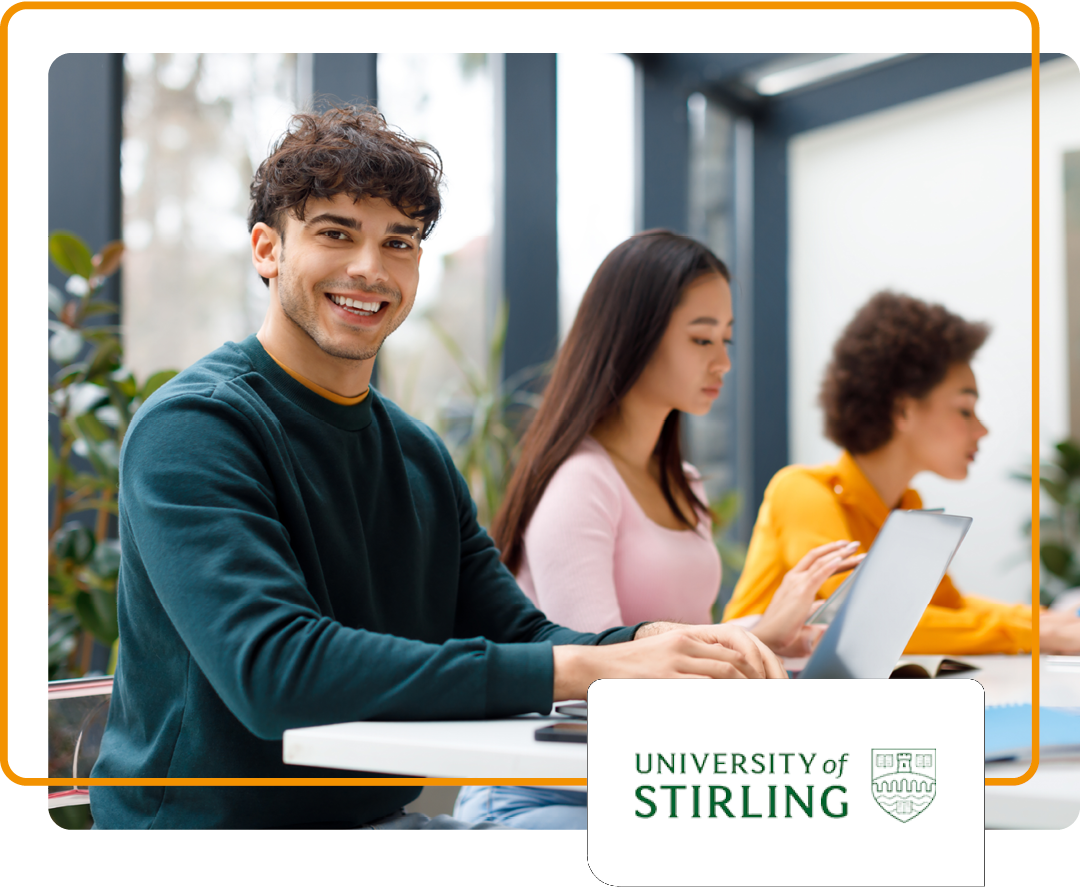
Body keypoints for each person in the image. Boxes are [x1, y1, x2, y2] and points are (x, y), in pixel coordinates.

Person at [88, 108, 789, 830]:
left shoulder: (418, 454)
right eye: (336, 233)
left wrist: (647, 647)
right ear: (267, 249)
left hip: (377, 831)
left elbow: (520, 634)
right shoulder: (195, 428)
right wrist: (588, 671)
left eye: (399, 242)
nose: (370, 268)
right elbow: (275, 671)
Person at [454, 231, 863, 829]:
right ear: (633, 335)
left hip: (651, 781)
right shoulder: (580, 483)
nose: (722, 362)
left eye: (725, 339)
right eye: (701, 339)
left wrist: (771, 643)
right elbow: (599, 672)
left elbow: (678, 647)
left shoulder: (684, 484)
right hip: (555, 795)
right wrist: (757, 631)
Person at [724, 291, 1080, 655]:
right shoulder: (801, 490)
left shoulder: (906, 505)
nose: (982, 430)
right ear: (903, 411)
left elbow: (948, 608)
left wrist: (1047, 621)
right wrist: (1036, 633)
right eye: (964, 409)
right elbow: (868, 621)